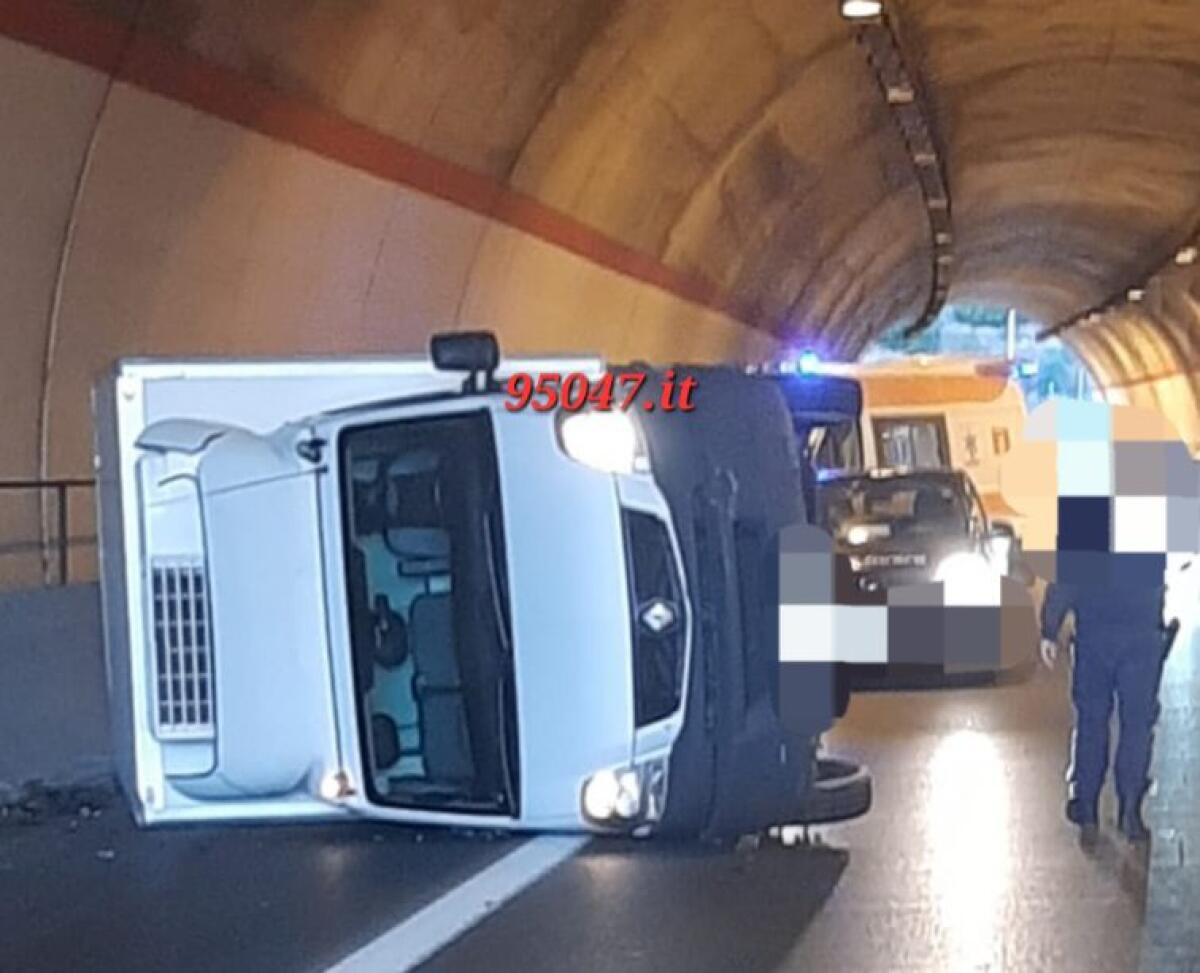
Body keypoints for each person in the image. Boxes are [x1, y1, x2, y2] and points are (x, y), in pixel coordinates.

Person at [1039, 560, 1173, 841]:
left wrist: (1050, 629)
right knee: (1136, 727)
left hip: (1094, 636)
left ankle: (1087, 806)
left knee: (1091, 723)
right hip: (1141, 635)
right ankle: (1130, 808)